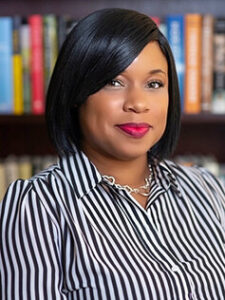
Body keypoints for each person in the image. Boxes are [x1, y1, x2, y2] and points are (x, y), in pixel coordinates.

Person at [0, 8, 224, 300]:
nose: (137, 104)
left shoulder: (205, 188)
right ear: (76, 94)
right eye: (114, 82)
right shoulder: (38, 206)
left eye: (154, 84)